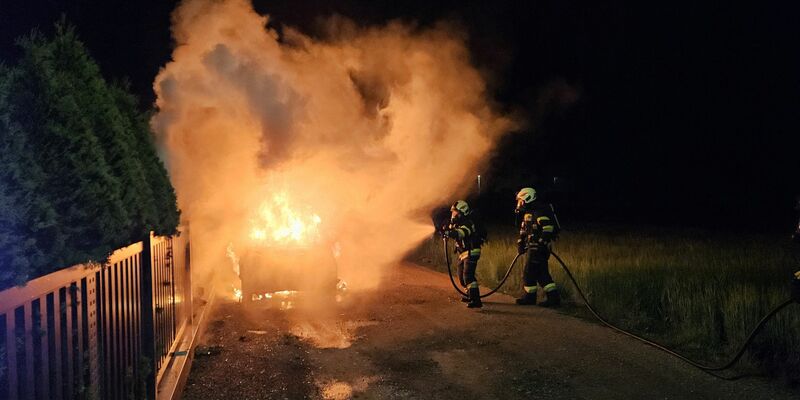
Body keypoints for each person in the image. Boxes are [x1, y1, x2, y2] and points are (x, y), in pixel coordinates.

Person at [514, 187, 561, 306]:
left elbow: (548, 228)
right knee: (541, 273)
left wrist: (541, 242)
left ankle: (530, 298)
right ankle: (553, 298)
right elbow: (524, 231)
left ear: (527, 198)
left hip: (538, 249)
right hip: (533, 248)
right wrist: (521, 242)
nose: (519, 204)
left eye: (521, 201)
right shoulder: (528, 214)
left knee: (528, 272)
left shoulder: (539, 212)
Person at [444, 200, 483, 308]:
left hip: (471, 252)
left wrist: (450, 233)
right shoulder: (459, 224)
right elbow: (453, 230)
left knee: (468, 276)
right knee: (461, 277)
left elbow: (460, 233)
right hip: (463, 253)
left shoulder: (467, 223)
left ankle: (476, 300)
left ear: (462, 212)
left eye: (455, 212)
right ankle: (470, 295)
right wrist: (445, 230)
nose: (453, 215)